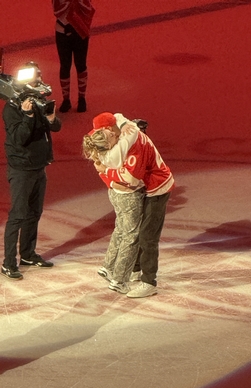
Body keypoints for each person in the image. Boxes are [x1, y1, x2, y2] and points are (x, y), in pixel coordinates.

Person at [95, 113, 175, 298]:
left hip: (157, 188)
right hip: (145, 188)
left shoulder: (135, 148)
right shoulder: (122, 130)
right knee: (137, 229)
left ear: (110, 130)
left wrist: (107, 172)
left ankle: (149, 282)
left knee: (148, 236)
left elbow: (131, 179)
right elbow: (118, 117)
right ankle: (136, 269)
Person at [1, 62, 62, 280]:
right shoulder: (11, 108)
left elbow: (55, 127)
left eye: (39, 74)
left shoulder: (39, 99)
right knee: (18, 215)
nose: (39, 78)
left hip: (38, 166)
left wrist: (52, 117)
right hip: (21, 169)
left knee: (34, 213)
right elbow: (19, 139)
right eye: (36, 76)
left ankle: (27, 254)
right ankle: (9, 263)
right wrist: (27, 117)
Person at [82, 113, 145, 294]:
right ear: (109, 130)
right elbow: (132, 129)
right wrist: (126, 124)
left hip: (114, 192)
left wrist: (110, 182)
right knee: (131, 236)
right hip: (128, 194)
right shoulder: (118, 148)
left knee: (120, 229)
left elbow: (116, 116)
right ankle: (120, 279)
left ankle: (108, 266)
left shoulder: (95, 140)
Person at [52, 0, 95, 113]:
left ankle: (82, 98)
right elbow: (56, 10)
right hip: (62, 31)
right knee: (65, 66)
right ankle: (66, 100)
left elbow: (88, 8)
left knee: (81, 64)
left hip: (80, 29)